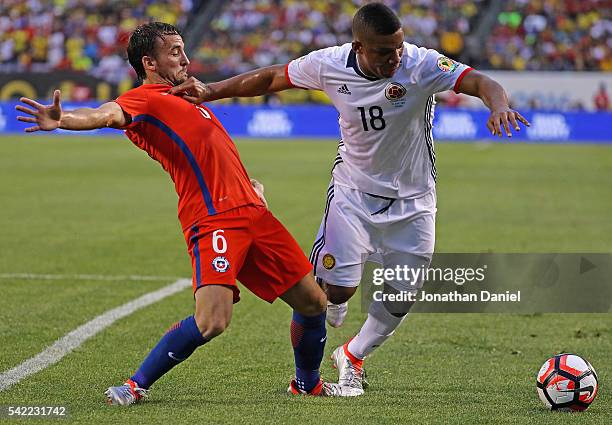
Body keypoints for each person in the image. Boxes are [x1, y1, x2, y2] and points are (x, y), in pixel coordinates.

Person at [169, 3, 531, 397]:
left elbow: (479, 81)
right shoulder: (329, 65)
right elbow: (273, 77)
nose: (394, 58)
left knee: (403, 294)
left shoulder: (422, 64)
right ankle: (316, 351)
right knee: (334, 294)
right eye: (383, 51)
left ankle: (353, 356)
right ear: (358, 46)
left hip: (415, 201)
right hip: (353, 195)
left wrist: (499, 106)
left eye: (398, 48)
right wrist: (211, 91)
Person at [15, 22, 346, 403]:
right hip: (214, 219)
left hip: (254, 214)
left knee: (313, 302)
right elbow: (106, 114)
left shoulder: (191, 97)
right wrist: (65, 120)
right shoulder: (145, 99)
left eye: (183, 49)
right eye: (174, 52)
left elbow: (213, 157)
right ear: (149, 62)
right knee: (213, 320)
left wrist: (249, 188)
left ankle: (307, 384)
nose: (186, 59)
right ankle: (134, 385)